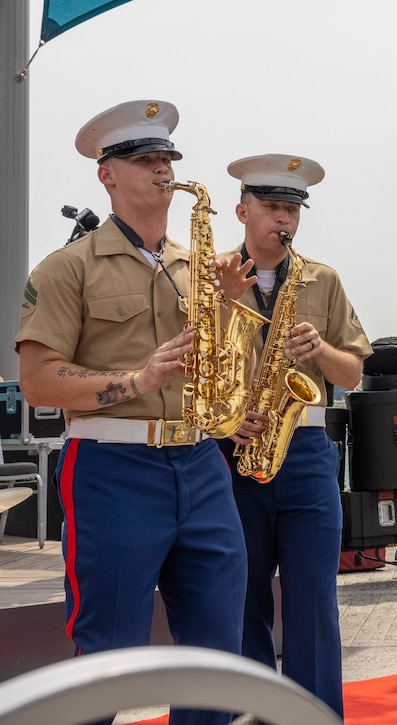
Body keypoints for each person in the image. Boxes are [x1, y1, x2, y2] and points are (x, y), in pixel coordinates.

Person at [15, 100, 255, 725]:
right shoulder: (68, 268)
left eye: (167, 158)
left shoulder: (196, 267)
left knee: (216, 659)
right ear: (107, 175)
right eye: (146, 160)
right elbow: (38, 380)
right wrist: (136, 379)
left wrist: (229, 309)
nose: (162, 170)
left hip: (201, 463)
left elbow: (214, 364)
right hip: (113, 469)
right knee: (108, 657)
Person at [217, 153, 371, 716]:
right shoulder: (209, 274)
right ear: (242, 210)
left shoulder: (322, 279)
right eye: (272, 206)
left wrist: (320, 351)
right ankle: (255, 708)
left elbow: (352, 372)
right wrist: (227, 420)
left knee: (313, 599)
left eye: (292, 209)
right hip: (232, 446)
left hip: (304, 446)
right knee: (243, 596)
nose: (284, 218)